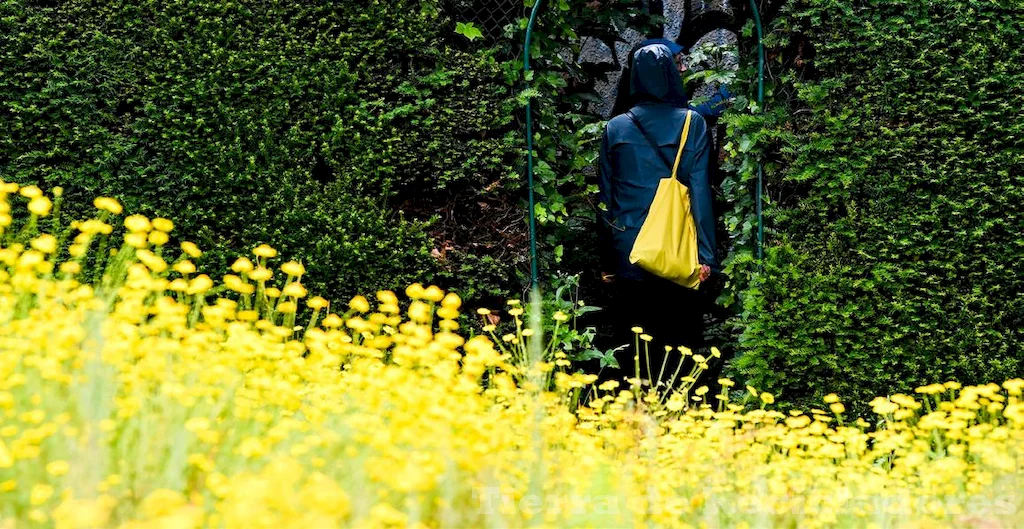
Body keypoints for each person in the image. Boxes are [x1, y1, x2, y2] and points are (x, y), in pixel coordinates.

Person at [595, 43, 720, 394]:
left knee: (635, 341)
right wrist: (707, 256)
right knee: (679, 338)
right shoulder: (690, 123)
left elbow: (607, 200)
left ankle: (636, 416)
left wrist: (607, 260)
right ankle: (676, 417)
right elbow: (700, 193)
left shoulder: (615, 128)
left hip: (629, 251)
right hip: (677, 248)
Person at [610, 38, 731, 121]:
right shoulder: (674, 114)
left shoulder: (618, 124)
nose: (684, 68)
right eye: (677, 63)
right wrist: (730, 85)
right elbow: (708, 112)